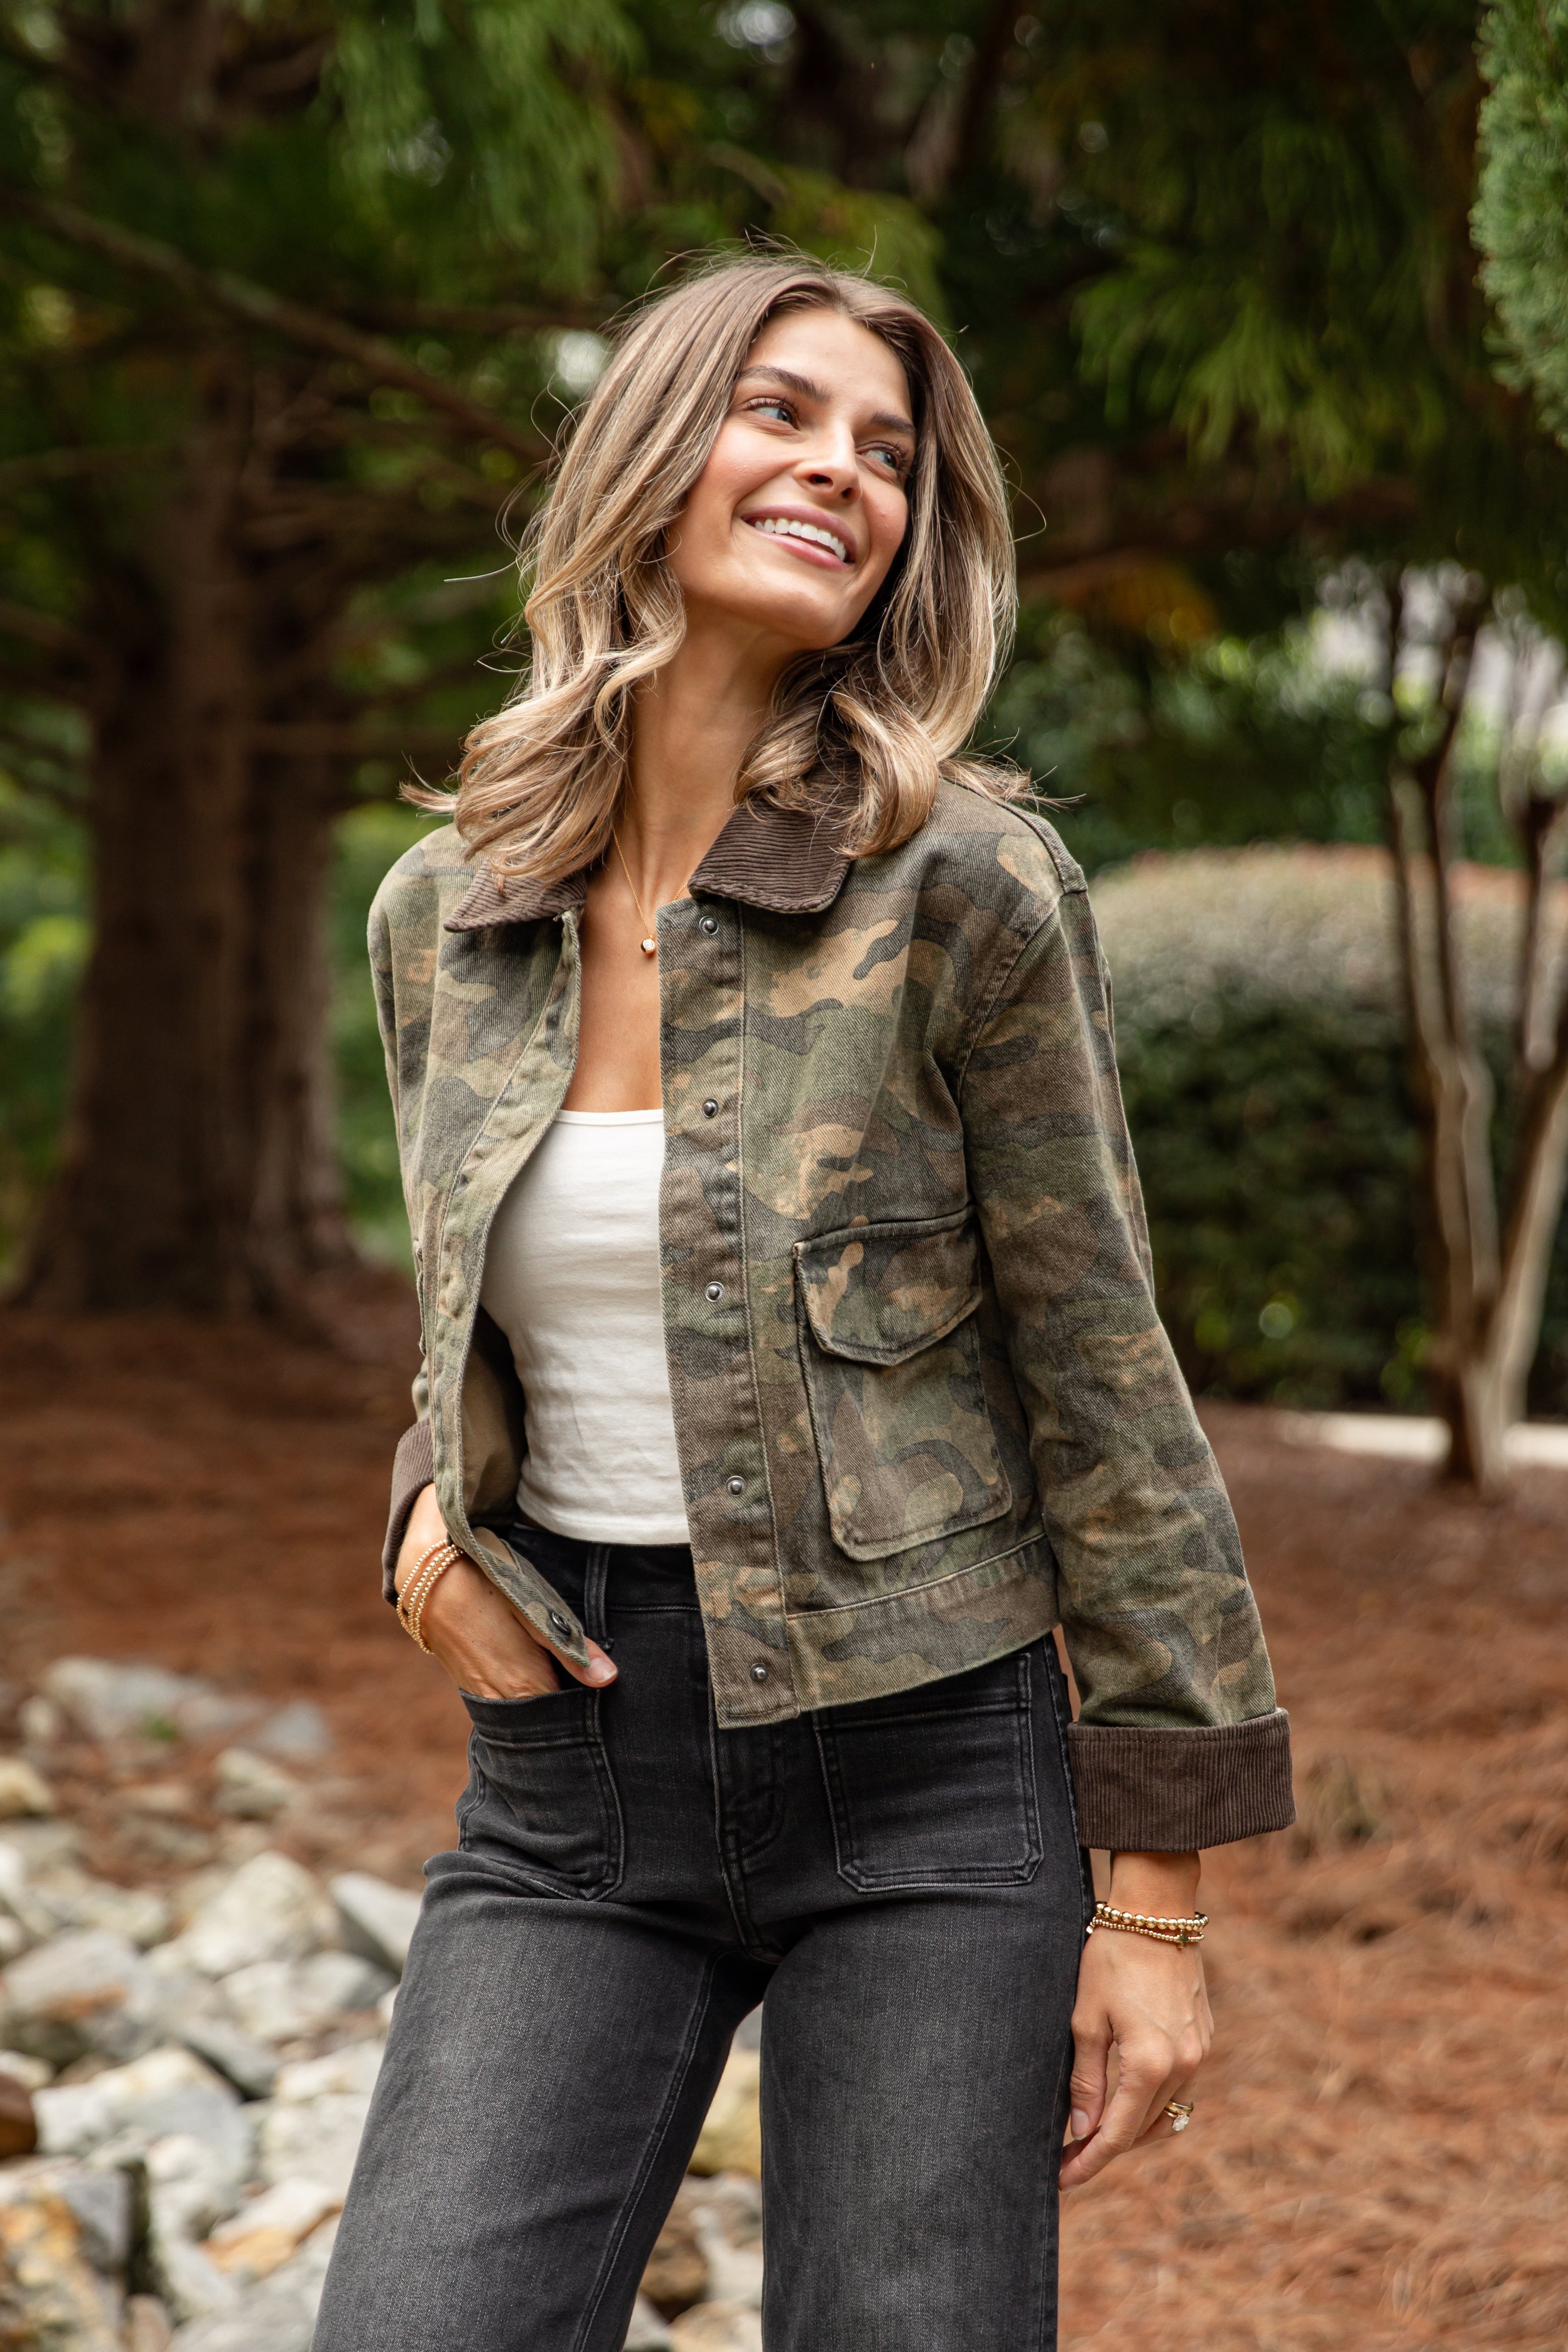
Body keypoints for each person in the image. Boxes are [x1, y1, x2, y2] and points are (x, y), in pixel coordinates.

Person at [313, 251, 1294, 2352]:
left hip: (930, 1780)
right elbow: (479, 1317)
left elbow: (1106, 1388)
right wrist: (423, 1518)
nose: (841, 472)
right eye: (781, 413)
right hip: (569, 1791)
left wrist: (1154, 1904)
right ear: (656, 452)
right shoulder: (446, 915)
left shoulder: (965, 887)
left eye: (889, 456)